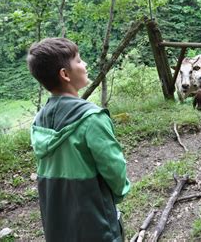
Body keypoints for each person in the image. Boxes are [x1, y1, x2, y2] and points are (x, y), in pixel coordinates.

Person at [27, 37, 131, 242]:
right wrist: (119, 193)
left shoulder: (38, 121)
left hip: (56, 221)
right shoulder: (92, 118)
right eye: (79, 60)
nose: (85, 65)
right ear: (65, 74)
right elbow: (114, 168)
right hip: (95, 221)